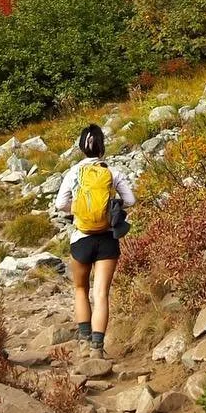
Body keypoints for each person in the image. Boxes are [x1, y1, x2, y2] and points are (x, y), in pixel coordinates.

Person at [55, 123, 135, 353]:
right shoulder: (112, 172)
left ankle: (83, 339)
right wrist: (111, 208)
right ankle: (97, 347)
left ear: (82, 147)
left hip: (81, 237)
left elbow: (60, 204)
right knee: (101, 294)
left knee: (81, 288)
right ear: (102, 148)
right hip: (108, 238)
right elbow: (130, 200)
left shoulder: (73, 173)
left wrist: (78, 209)